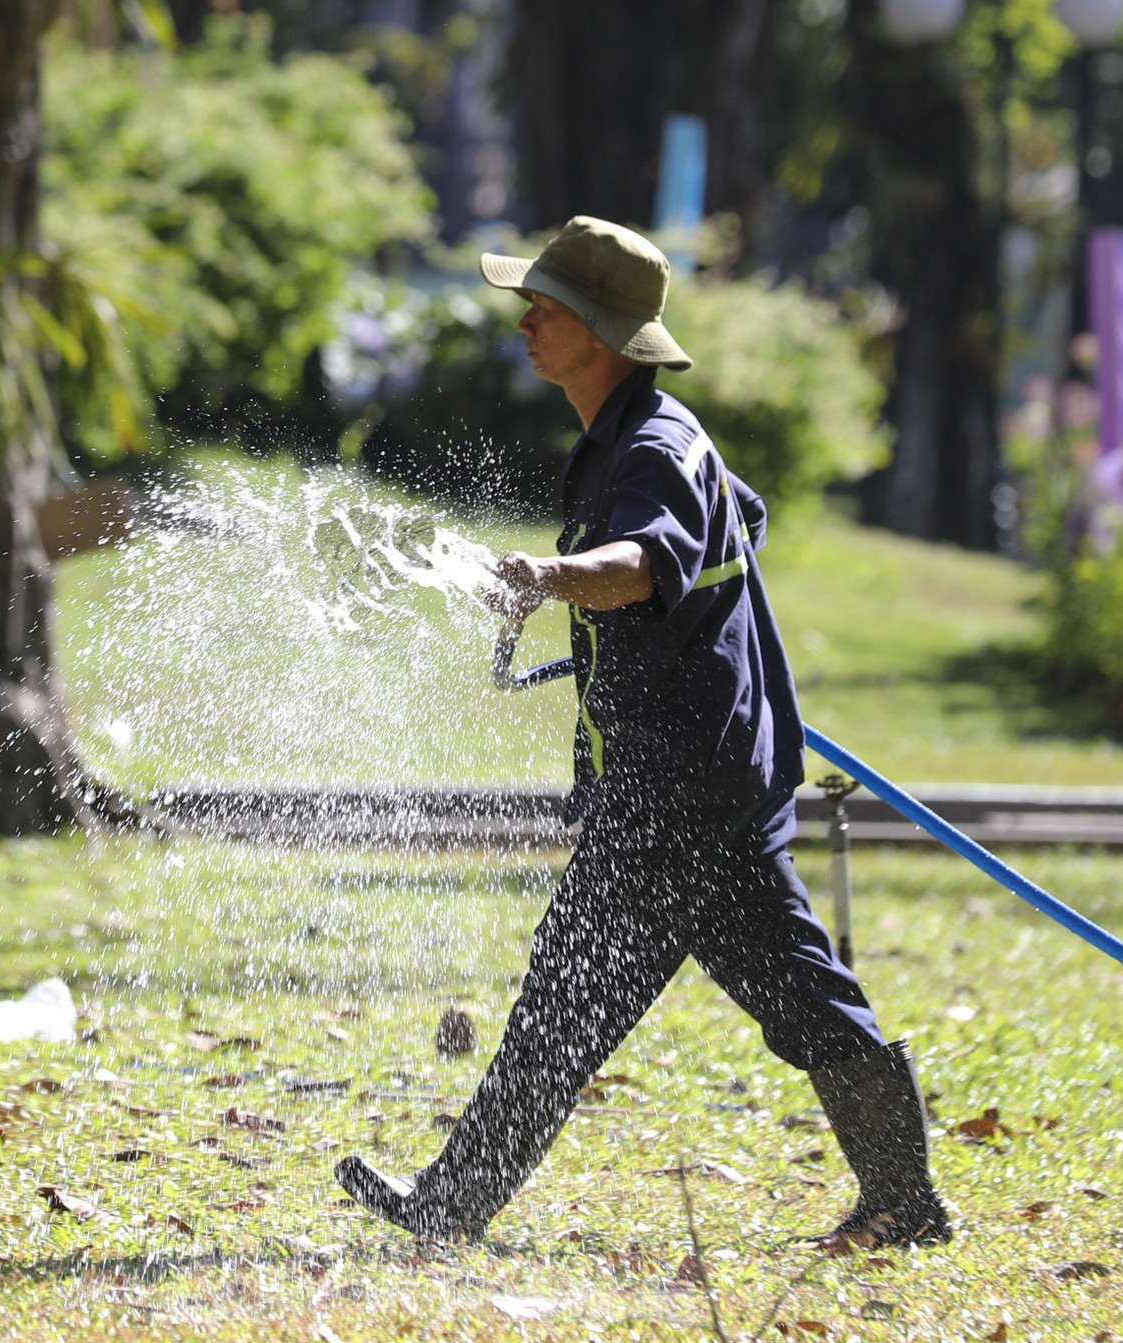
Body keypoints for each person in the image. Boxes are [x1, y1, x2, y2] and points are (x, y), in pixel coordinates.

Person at [334, 217, 950, 1248]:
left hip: (684, 796)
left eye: (544, 308)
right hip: (690, 784)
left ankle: (902, 1199)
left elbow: (645, 562)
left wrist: (550, 576)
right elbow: (736, 521)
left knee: (598, 991)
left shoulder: (655, 444)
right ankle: (901, 1198)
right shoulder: (639, 438)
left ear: (601, 331)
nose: (525, 322)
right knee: (748, 993)